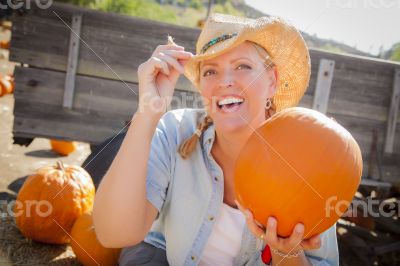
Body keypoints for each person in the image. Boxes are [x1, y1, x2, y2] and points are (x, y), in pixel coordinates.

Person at [93, 13, 339, 266]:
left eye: (242, 66)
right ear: (201, 87)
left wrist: (286, 252)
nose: (225, 82)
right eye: (211, 71)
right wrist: (147, 113)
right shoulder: (175, 130)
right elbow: (113, 234)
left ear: (272, 81)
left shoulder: (305, 159)